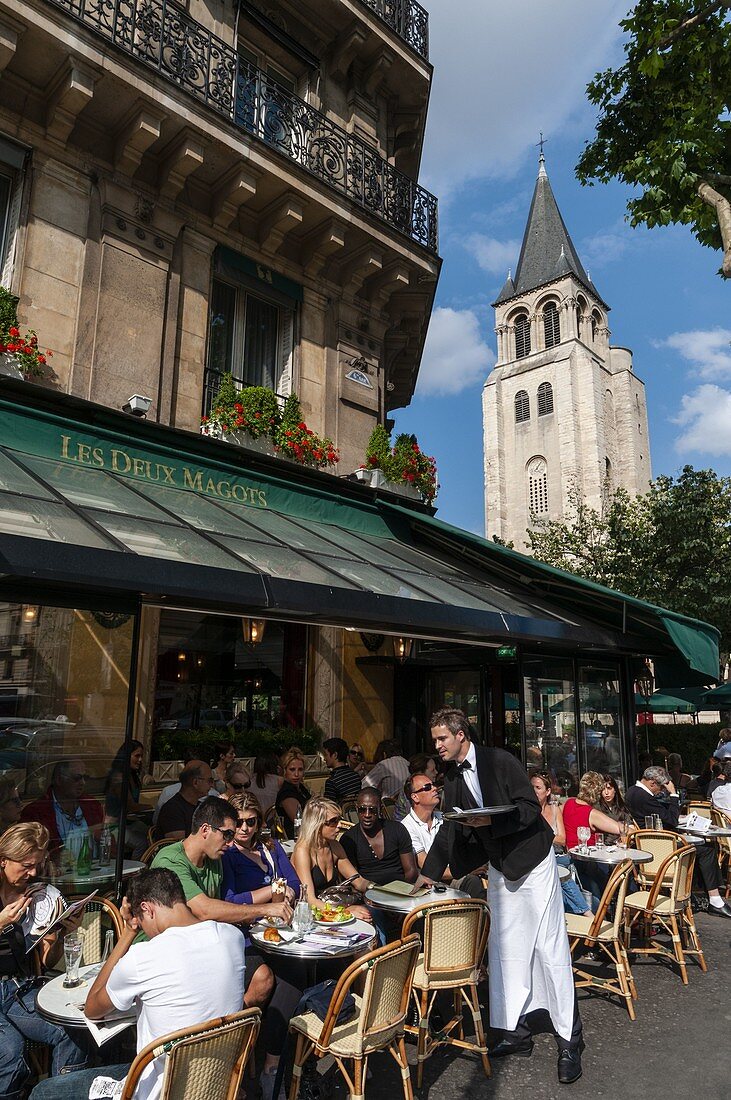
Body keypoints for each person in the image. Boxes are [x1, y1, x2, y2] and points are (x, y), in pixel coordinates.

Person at [421, 708, 584, 1086]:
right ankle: (515, 1033)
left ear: (461, 735)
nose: (438, 746)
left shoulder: (501, 760)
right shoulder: (451, 776)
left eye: (442, 738)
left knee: (549, 949)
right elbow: (450, 827)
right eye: (435, 740)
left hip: (534, 859)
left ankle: (569, 1041)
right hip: (499, 865)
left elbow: (529, 808)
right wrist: (427, 876)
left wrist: (490, 821)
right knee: (505, 949)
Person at [29, 867, 248, 1100]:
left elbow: (92, 1009)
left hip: (160, 1090)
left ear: (146, 909)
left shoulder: (143, 957)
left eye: (141, 922)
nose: (145, 930)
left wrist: (128, 932)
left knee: (42, 1092)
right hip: (217, 1084)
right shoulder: (231, 938)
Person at [152, 796, 292, 1008]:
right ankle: (230, 1028)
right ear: (206, 829)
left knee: (277, 970)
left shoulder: (214, 859)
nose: (231, 841)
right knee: (262, 977)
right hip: (166, 952)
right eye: (227, 834)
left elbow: (225, 906)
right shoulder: (170, 860)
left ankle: (238, 1029)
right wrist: (266, 907)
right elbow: (204, 910)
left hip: (202, 947)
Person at [221, 793, 301, 1100]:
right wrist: (270, 893)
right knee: (282, 978)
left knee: (296, 974)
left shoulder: (270, 847)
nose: (243, 829)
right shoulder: (228, 855)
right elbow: (229, 901)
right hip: (246, 937)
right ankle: (262, 1062)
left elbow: (293, 883)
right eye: (238, 823)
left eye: (250, 822)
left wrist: (287, 895)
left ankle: (272, 1064)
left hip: (280, 932)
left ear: (259, 822)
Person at [1, 822, 88, 1100]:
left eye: (37, 865)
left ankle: (61, 1095)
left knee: (72, 1031)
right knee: (10, 1054)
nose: (33, 872)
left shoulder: (39, 897)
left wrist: (61, 933)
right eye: (26, 865)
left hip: (18, 990)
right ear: (3, 860)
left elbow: (48, 959)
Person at [625, 765, 731, 918]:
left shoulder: (634, 792)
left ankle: (705, 895)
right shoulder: (643, 796)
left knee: (702, 847)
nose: (662, 791)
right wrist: (674, 794)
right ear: (652, 782)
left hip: (656, 841)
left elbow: (663, 813)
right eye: (661, 787)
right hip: (659, 847)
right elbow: (672, 819)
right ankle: (715, 899)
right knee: (706, 848)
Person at [291, 797, 371, 916]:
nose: (339, 825)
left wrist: (382, 892)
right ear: (317, 824)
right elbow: (309, 900)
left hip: (332, 910)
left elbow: (358, 881)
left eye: (339, 819)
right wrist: (346, 912)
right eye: (333, 821)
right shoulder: (303, 851)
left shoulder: (334, 846)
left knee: (373, 914)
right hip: (312, 915)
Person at [530, 773, 592, 919]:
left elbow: (562, 840)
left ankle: (580, 915)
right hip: (540, 860)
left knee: (565, 873)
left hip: (560, 858)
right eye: (531, 787)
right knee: (564, 879)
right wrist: (549, 838)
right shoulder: (529, 811)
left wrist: (542, 837)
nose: (534, 791)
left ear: (548, 791)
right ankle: (588, 915)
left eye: (538, 787)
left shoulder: (554, 809)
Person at [20, 759, 103, 863]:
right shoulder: (36, 811)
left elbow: (105, 838)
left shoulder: (92, 805)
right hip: (56, 874)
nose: (82, 782)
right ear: (59, 779)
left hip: (95, 869)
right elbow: (28, 852)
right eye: (76, 778)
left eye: (85, 778)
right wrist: (52, 859)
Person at [562, 771, 623, 911]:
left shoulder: (568, 803)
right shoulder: (591, 813)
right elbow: (619, 828)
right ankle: (611, 914)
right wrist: (631, 828)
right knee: (611, 882)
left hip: (570, 860)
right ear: (597, 791)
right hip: (586, 862)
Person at [104, 739, 148, 857]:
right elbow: (131, 806)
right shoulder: (118, 778)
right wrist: (153, 806)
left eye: (141, 756)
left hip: (127, 822)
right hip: (113, 826)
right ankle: (137, 871)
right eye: (137, 756)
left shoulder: (132, 776)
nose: (140, 760)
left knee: (151, 831)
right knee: (142, 843)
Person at [156, 759, 215, 839]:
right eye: (210, 780)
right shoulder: (172, 810)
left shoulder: (200, 807)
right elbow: (178, 847)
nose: (212, 785)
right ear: (195, 782)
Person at [401, 773, 445, 869]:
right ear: (415, 797)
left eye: (433, 784)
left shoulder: (444, 818)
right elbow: (426, 865)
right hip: (431, 879)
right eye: (427, 787)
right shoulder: (406, 827)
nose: (434, 788)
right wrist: (462, 873)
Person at [275, 751, 310, 839]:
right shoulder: (287, 793)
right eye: (292, 769)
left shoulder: (300, 787)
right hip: (296, 838)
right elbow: (299, 821)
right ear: (284, 770)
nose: (296, 774)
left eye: (300, 770)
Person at [322, 738, 362, 803]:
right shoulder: (355, 776)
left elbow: (328, 808)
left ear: (335, 755)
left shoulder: (332, 781)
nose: (324, 759)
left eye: (326, 755)